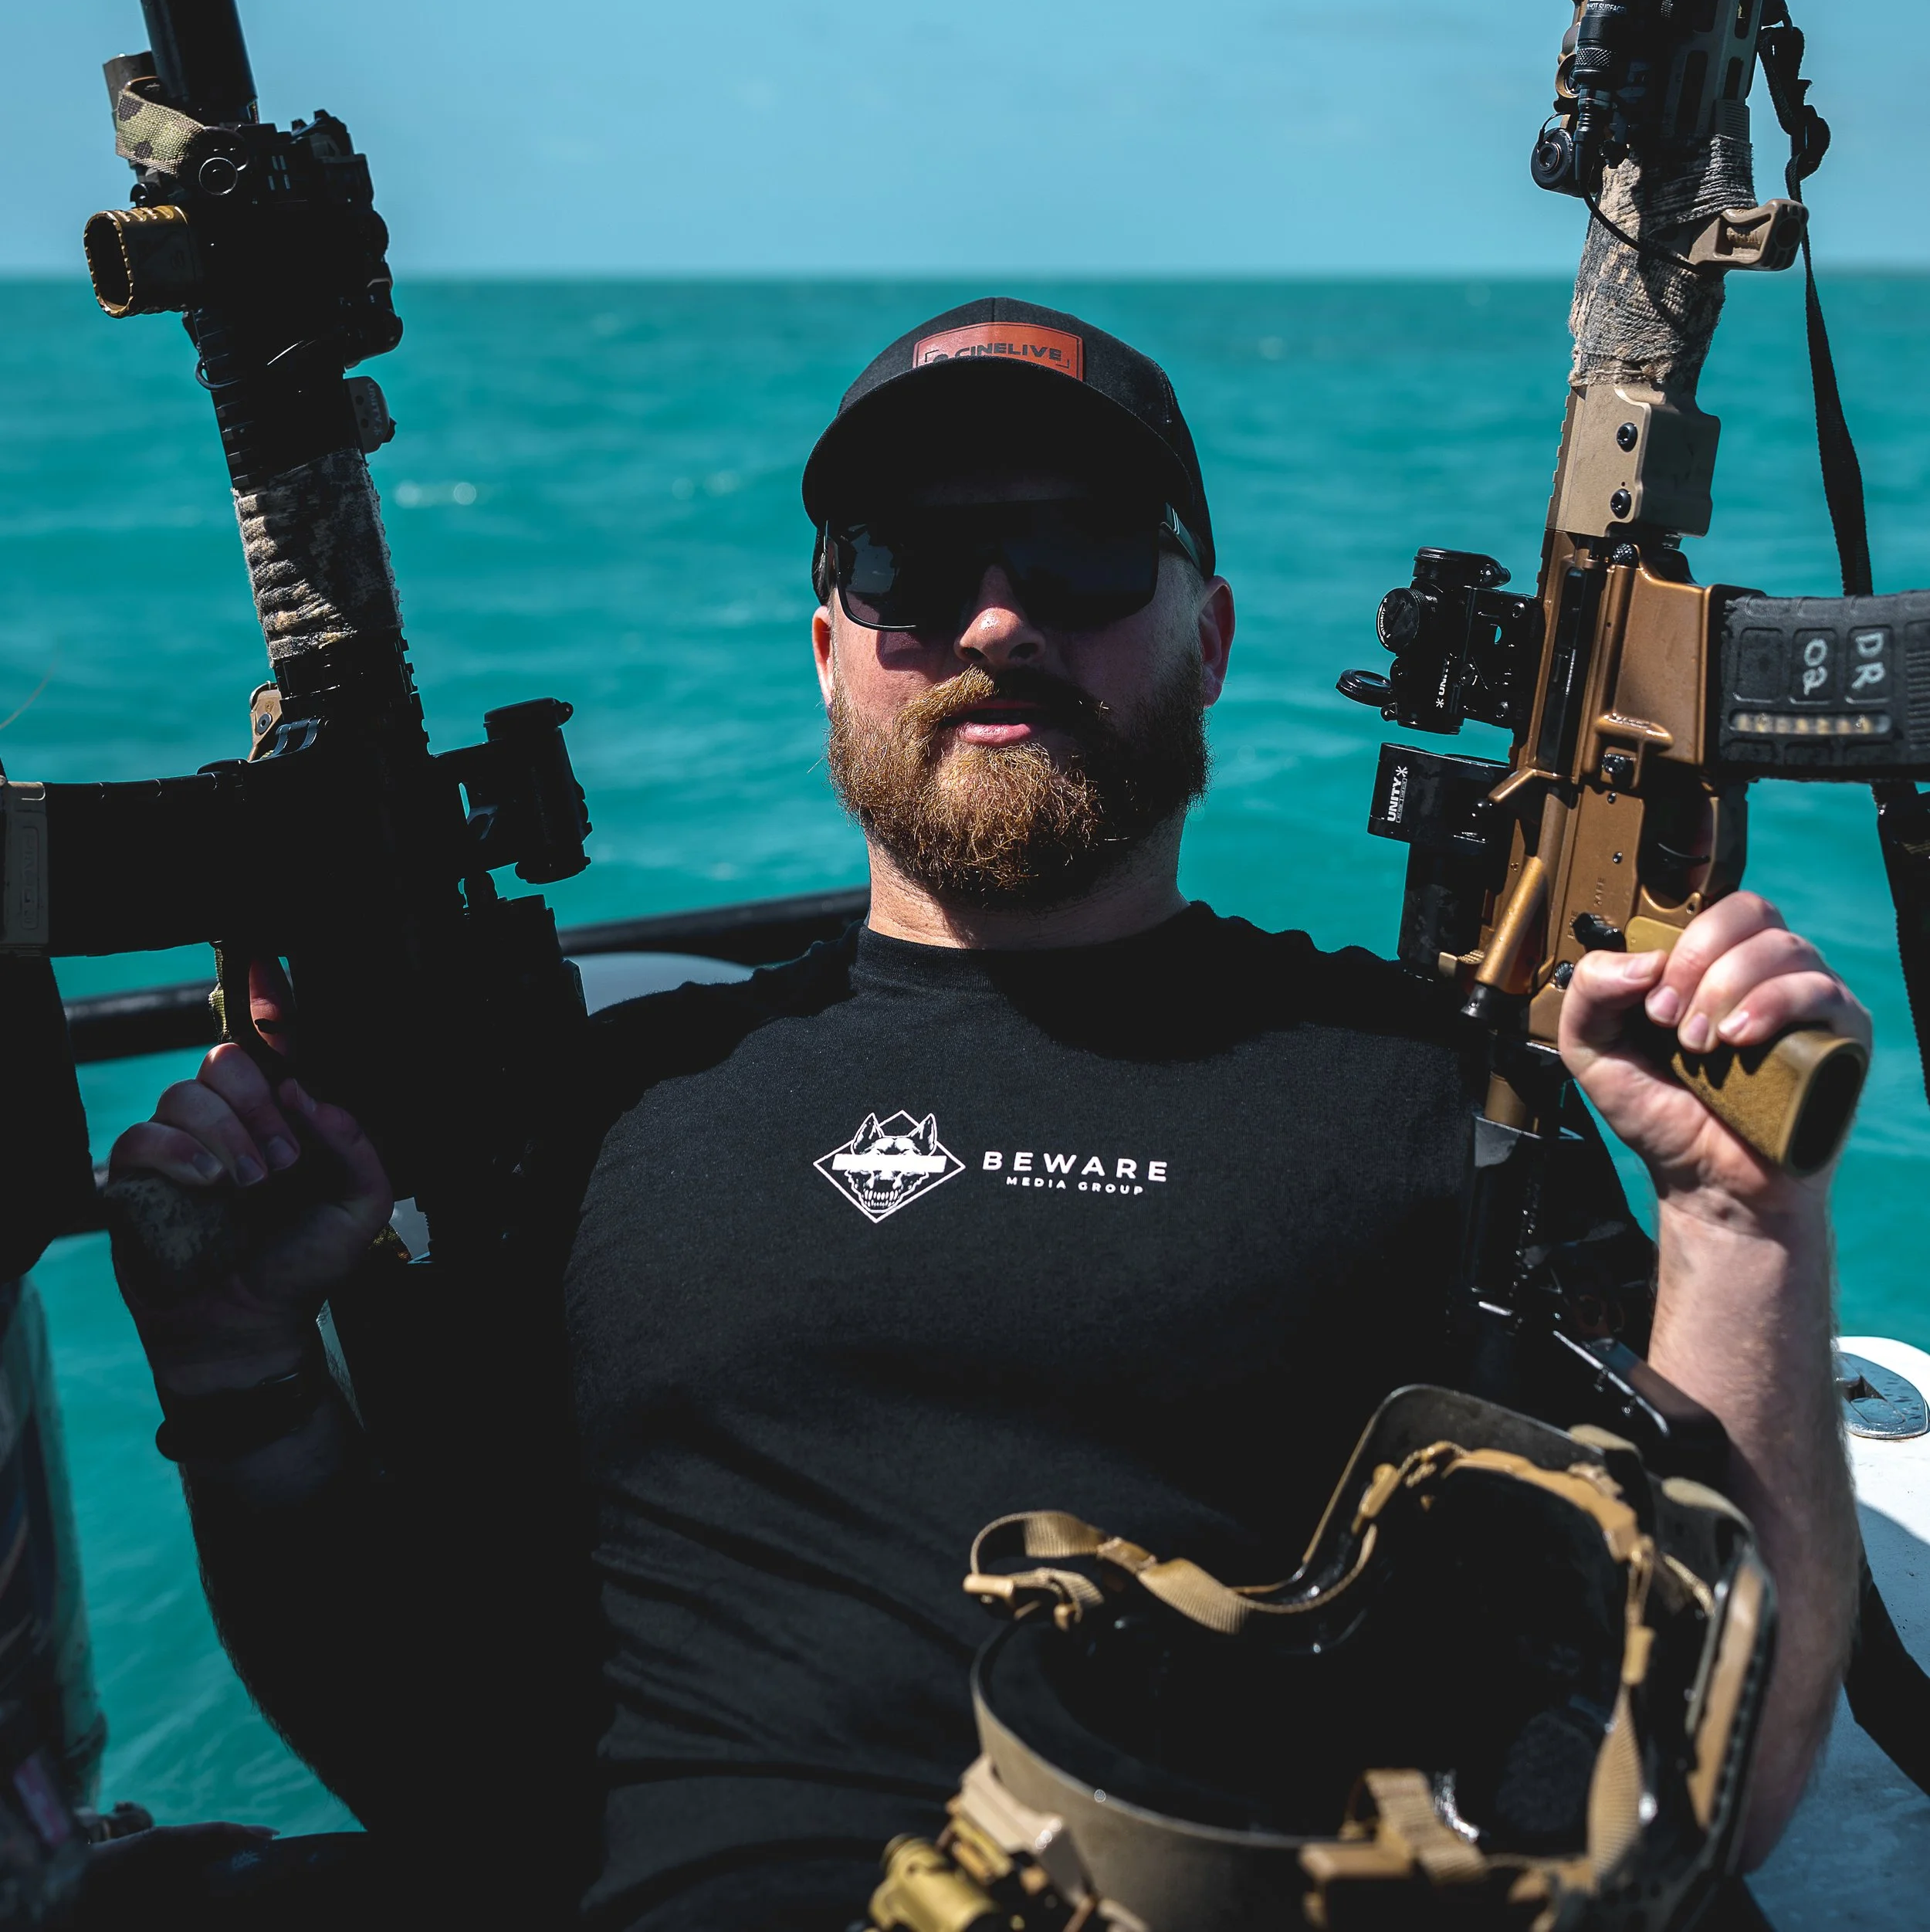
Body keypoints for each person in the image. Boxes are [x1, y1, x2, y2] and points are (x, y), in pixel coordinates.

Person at [106, 300, 1869, 1930]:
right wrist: (235, 1359)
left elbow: (1715, 1761)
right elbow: (435, 1750)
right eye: (913, 568)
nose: (1000, 620)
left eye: (1085, 555)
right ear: (827, 648)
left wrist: (1740, 1221)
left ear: (1211, 638)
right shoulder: (602, 1114)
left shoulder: (1437, 1101)